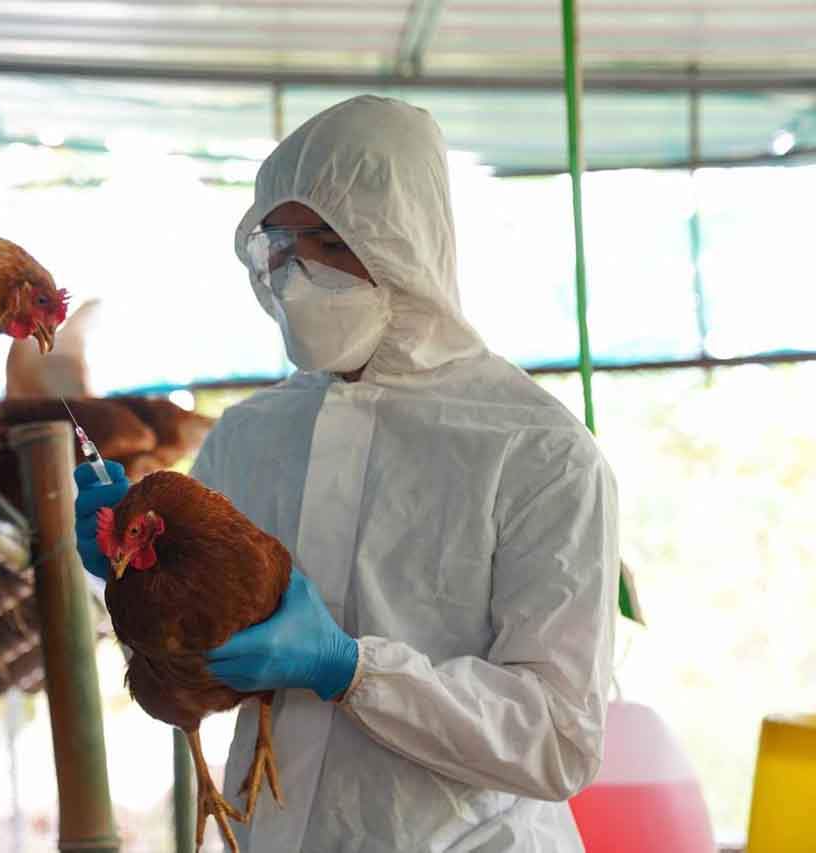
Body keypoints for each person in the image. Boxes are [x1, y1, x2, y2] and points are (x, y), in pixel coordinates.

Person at [74, 95, 619, 852]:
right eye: (282, 243)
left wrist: (354, 671)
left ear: (404, 242)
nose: (300, 272)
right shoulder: (251, 435)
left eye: (330, 240)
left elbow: (558, 736)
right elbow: (192, 653)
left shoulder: (537, 451)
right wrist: (128, 571)